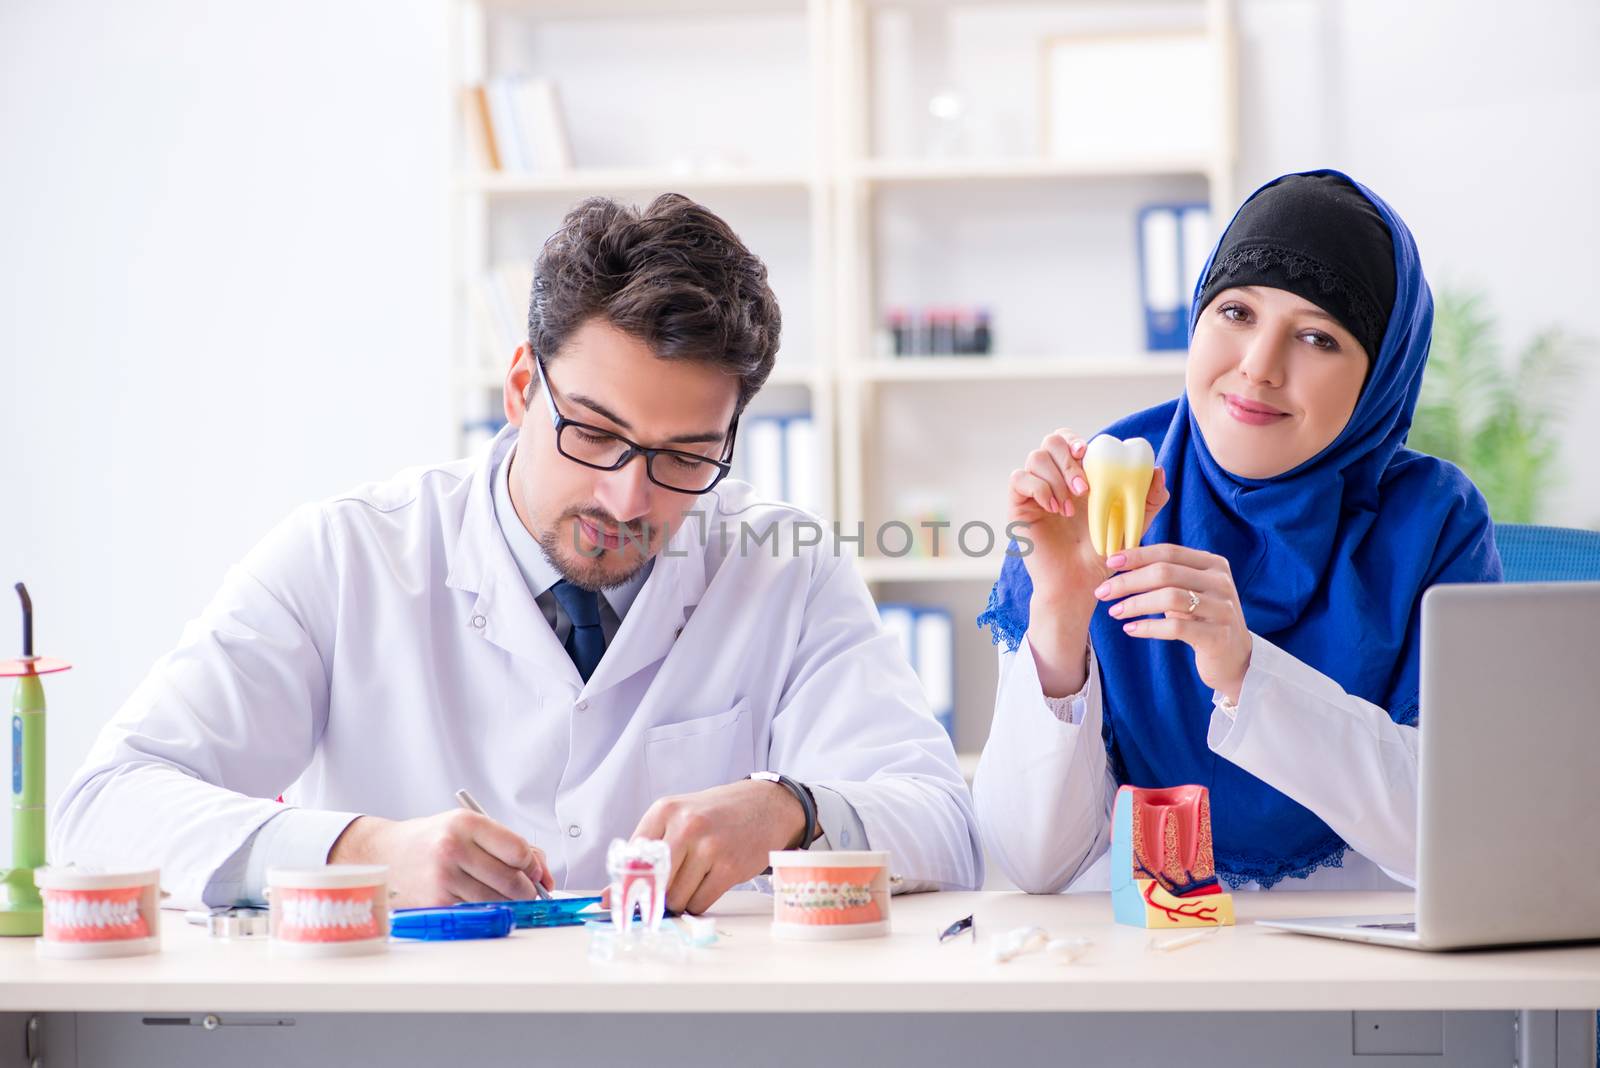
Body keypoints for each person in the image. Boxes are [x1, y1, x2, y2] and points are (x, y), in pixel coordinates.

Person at [56, 193, 981, 912]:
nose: (628, 496)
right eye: (592, 431)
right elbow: (105, 810)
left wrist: (793, 807)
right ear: (519, 387)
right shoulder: (345, 557)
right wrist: (366, 851)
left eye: (685, 456)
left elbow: (945, 824)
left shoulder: (785, 564)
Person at [974, 171, 1500, 894]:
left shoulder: (1434, 523)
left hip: (1354, 973)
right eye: (1236, 312)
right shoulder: (1096, 493)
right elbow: (1034, 865)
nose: (1257, 367)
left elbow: (1457, 842)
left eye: (1317, 336)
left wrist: (1246, 669)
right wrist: (1061, 617)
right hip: (1138, 965)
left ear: (1380, 377)